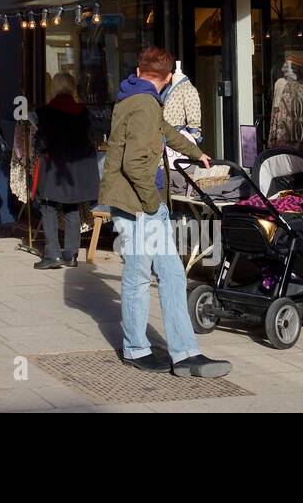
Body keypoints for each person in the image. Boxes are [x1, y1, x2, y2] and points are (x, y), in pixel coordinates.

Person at [100, 46, 230, 378]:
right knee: (142, 276)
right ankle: (138, 349)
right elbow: (135, 163)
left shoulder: (136, 95)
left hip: (137, 201)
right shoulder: (144, 103)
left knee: (167, 275)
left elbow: (166, 131)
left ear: (140, 69)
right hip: (139, 204)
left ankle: (184, 353)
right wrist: (152, 204)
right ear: (169, 77)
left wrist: (196, 153)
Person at [31, 71, 100, 269]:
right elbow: (92, 137)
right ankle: (71, 254)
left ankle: (52, 254)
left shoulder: (47, 112)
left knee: (48, 208)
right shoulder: (83, 111)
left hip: (55, 169)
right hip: (78, 170)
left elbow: (41, 143)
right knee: (72, 209)